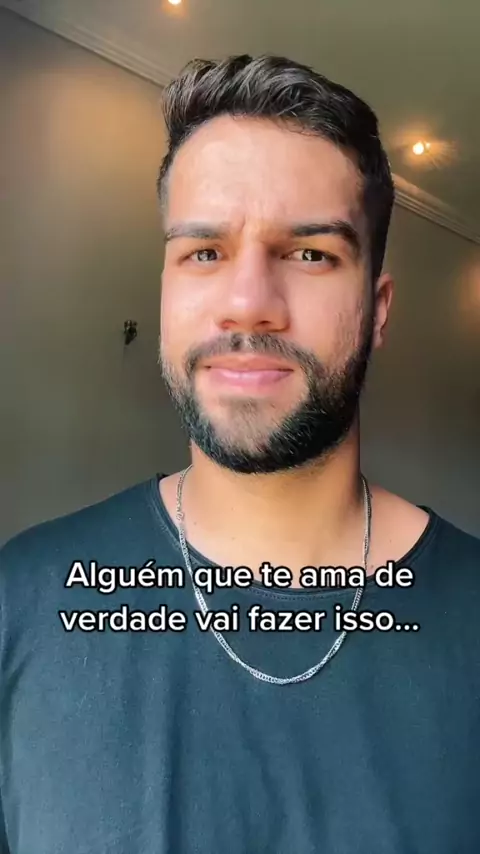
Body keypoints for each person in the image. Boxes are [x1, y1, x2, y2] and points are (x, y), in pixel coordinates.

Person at [0, 53, 479, 854]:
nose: (249, 302)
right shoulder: (20, 601)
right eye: (204, 252)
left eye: (310, 253)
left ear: (378, 310)